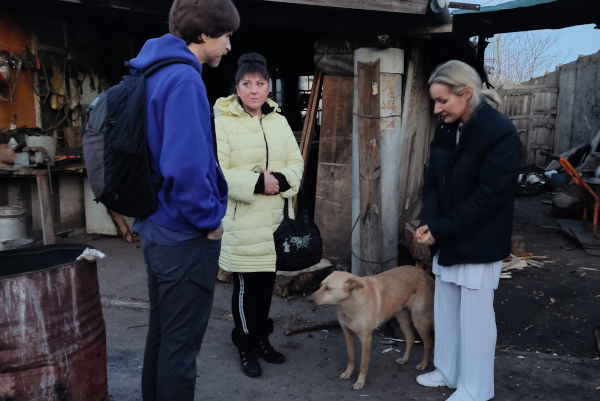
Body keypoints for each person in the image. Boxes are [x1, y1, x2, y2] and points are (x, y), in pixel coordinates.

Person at [128, 0, 239, 399]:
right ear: (205, 35)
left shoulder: (152, 69)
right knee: (180, 348)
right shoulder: (184, 80)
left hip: (156, 226)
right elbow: (186, 168)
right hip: (183, 235)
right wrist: (210, 220)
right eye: (226, 36)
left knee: (161, 336)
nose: (229, 45)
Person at [415, 60, 521, 401]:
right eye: (434, 101)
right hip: (447, 238)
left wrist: (441, 228)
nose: (437, 108)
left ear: (467, 93)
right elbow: (431, 181)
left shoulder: (500, 133)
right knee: (447, 309)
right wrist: (429, 222)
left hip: (478, 241)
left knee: (475, 319)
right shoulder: (446, 128)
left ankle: (476, 389)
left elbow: (489, 197)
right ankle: (448, 370)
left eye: (443, 100)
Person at [213, 53, 304, 377]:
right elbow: (217, 172)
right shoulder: (222, 121)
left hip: (274, 223)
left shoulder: (278, 120)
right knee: (245, 290)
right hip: (243, 222)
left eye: (260, 83)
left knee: (265, 287)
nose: (254, 90)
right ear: (237, 87)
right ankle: (246, 345)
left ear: (268, 88)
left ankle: (262, 339)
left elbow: (297, 163)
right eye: (247, 83)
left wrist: (278, 180)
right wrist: (255, 181)